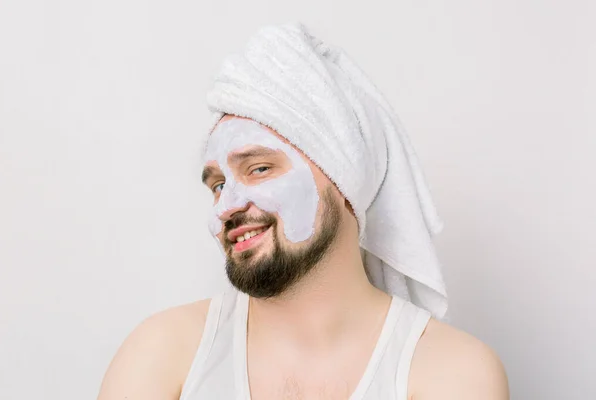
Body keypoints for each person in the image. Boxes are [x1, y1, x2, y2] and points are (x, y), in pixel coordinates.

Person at [98, 23, 509, 400]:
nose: (227, 206)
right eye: (218, 185)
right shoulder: (164, 353)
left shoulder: (450, 373)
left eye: (259, 169)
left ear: (345, 182)